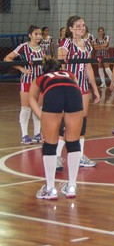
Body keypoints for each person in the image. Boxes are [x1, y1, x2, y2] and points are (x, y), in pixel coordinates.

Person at [29, 57, 84, 199]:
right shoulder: (69, 74)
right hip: (74, 93)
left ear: (44, 69)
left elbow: (31, 99)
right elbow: (76, 88)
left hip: (53, 93)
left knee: (50, 144)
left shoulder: (40, 78)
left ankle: (50, 188)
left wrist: (43, 117)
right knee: (73, 142)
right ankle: (72, 186)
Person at [56, 15, 101, 169]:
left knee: (82, 122)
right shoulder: (65, 43)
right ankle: (56, 156)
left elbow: (88, 68)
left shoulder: (87, 45)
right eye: (78, 25)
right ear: (70, 28)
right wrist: (66, 83)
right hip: (68, 87)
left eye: (83, 25)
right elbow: (60, 67)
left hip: (83, 89)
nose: (82, 27)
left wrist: (95, 89)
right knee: (66, 122)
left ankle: (80, 156)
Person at [4, 25, 44, 144]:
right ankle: (24, 135)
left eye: (40, 34)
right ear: (30, 35)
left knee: (38, 108)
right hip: (27, 81)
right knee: (26, 108)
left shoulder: (42, 48)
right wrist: (21, 68)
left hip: (39, 82)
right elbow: (7, 58)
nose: (38, 36)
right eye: (36, 34)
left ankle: (37, 133)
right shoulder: (24, 47)